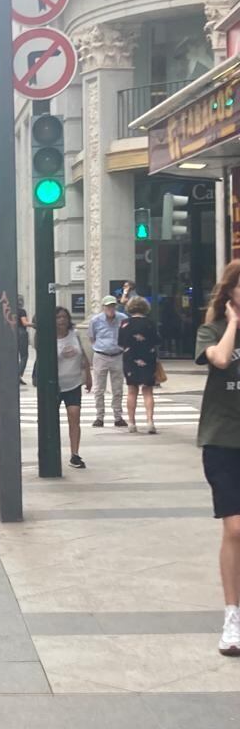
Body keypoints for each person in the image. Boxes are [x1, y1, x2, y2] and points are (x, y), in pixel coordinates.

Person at [194, 259, 240, 657]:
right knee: (235, 529)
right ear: (230, 293)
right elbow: (221, 361)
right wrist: (234, 325)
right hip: (222, 441)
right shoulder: (212, 330)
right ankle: (233, 615)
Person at [55, 306, 92, 469]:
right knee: (51, 421)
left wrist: (88, 377)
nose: (62, 320)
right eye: (58, 317)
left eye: (64, 317)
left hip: (74, 383)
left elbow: (83, 356)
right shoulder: (49, 338)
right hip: (55, 386)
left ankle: (75, 454)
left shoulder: (75, 334)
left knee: (74, 416)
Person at [119, 296, 160, 434]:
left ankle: (131, 422)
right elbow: (156, 340)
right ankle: (150, 421)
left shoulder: (125, 323)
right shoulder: (150, 323)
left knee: (132, 391)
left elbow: (120, 342)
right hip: (148, 357)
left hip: (130, 358)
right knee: (148, 391)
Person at [87, 295, 129, 428]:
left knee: (118, 388)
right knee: (99, 388)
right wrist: (98, 347)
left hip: (118, 355)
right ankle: (99, 416)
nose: (111, 309)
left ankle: (118, 416)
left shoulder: (122, 318)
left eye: (113, 306)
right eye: (108, 306)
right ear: (103, 307)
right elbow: (91, 337)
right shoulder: (96, 320)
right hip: (101, 355)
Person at [17, 296, 30, 385]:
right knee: (24, 356)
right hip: (21, 334)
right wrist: (34, 324)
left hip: (12, 334)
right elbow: (24, 322)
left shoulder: (11, 310)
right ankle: (18, 374)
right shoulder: (22, 311)